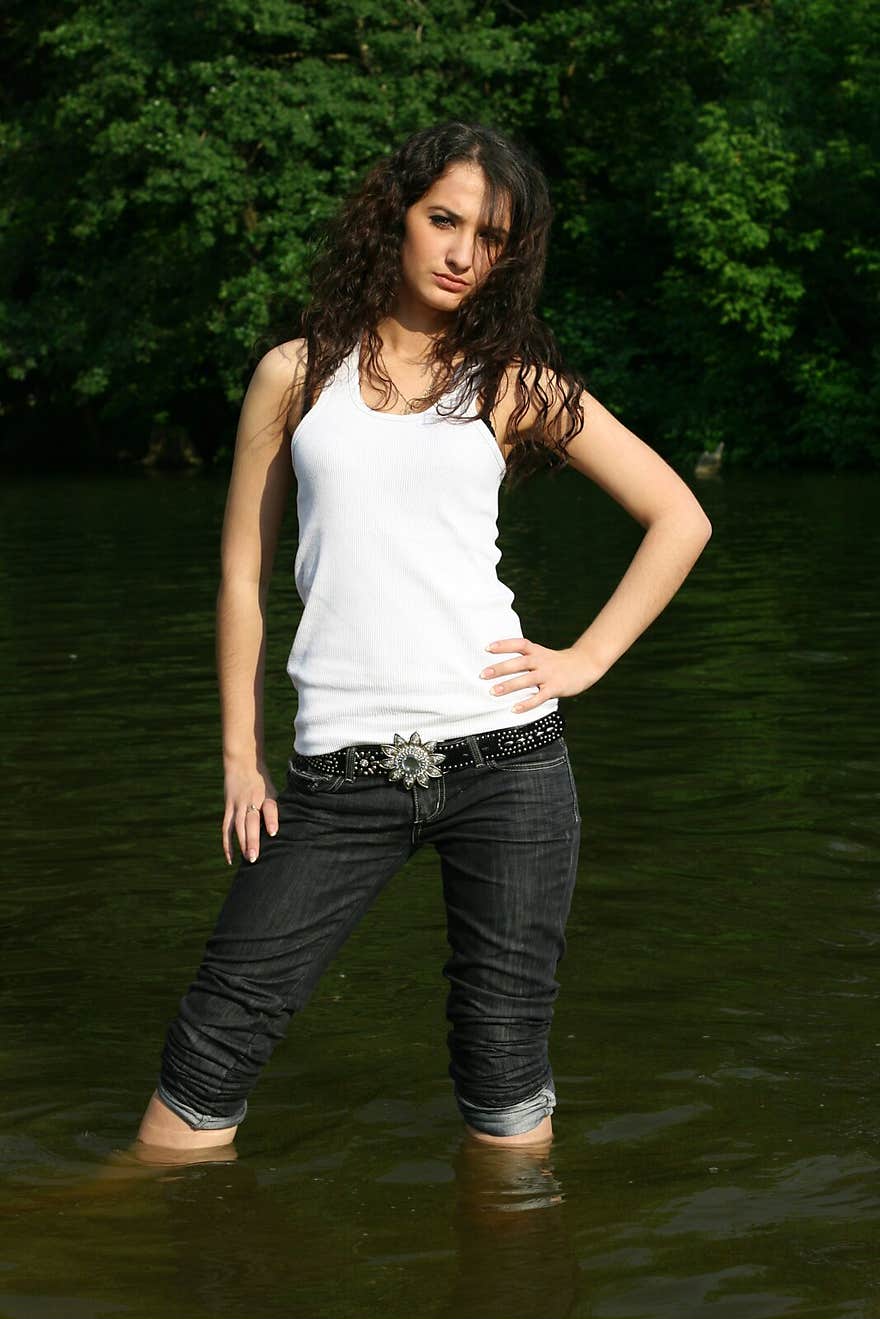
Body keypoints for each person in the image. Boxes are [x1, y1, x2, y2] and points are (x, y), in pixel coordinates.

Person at [133, 120, 712, 1159]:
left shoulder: (510, 381)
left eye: (489, 237)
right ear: (391, 218)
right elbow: (239, 577)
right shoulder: (296, 375)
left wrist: (582, 660)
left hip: (510, 767)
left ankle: (514, 1296)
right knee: (208, 1056)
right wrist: (238, 753)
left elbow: (680, 515)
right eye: (442, 220)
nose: (461, 253)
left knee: (502, 1074)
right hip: (336, 776)